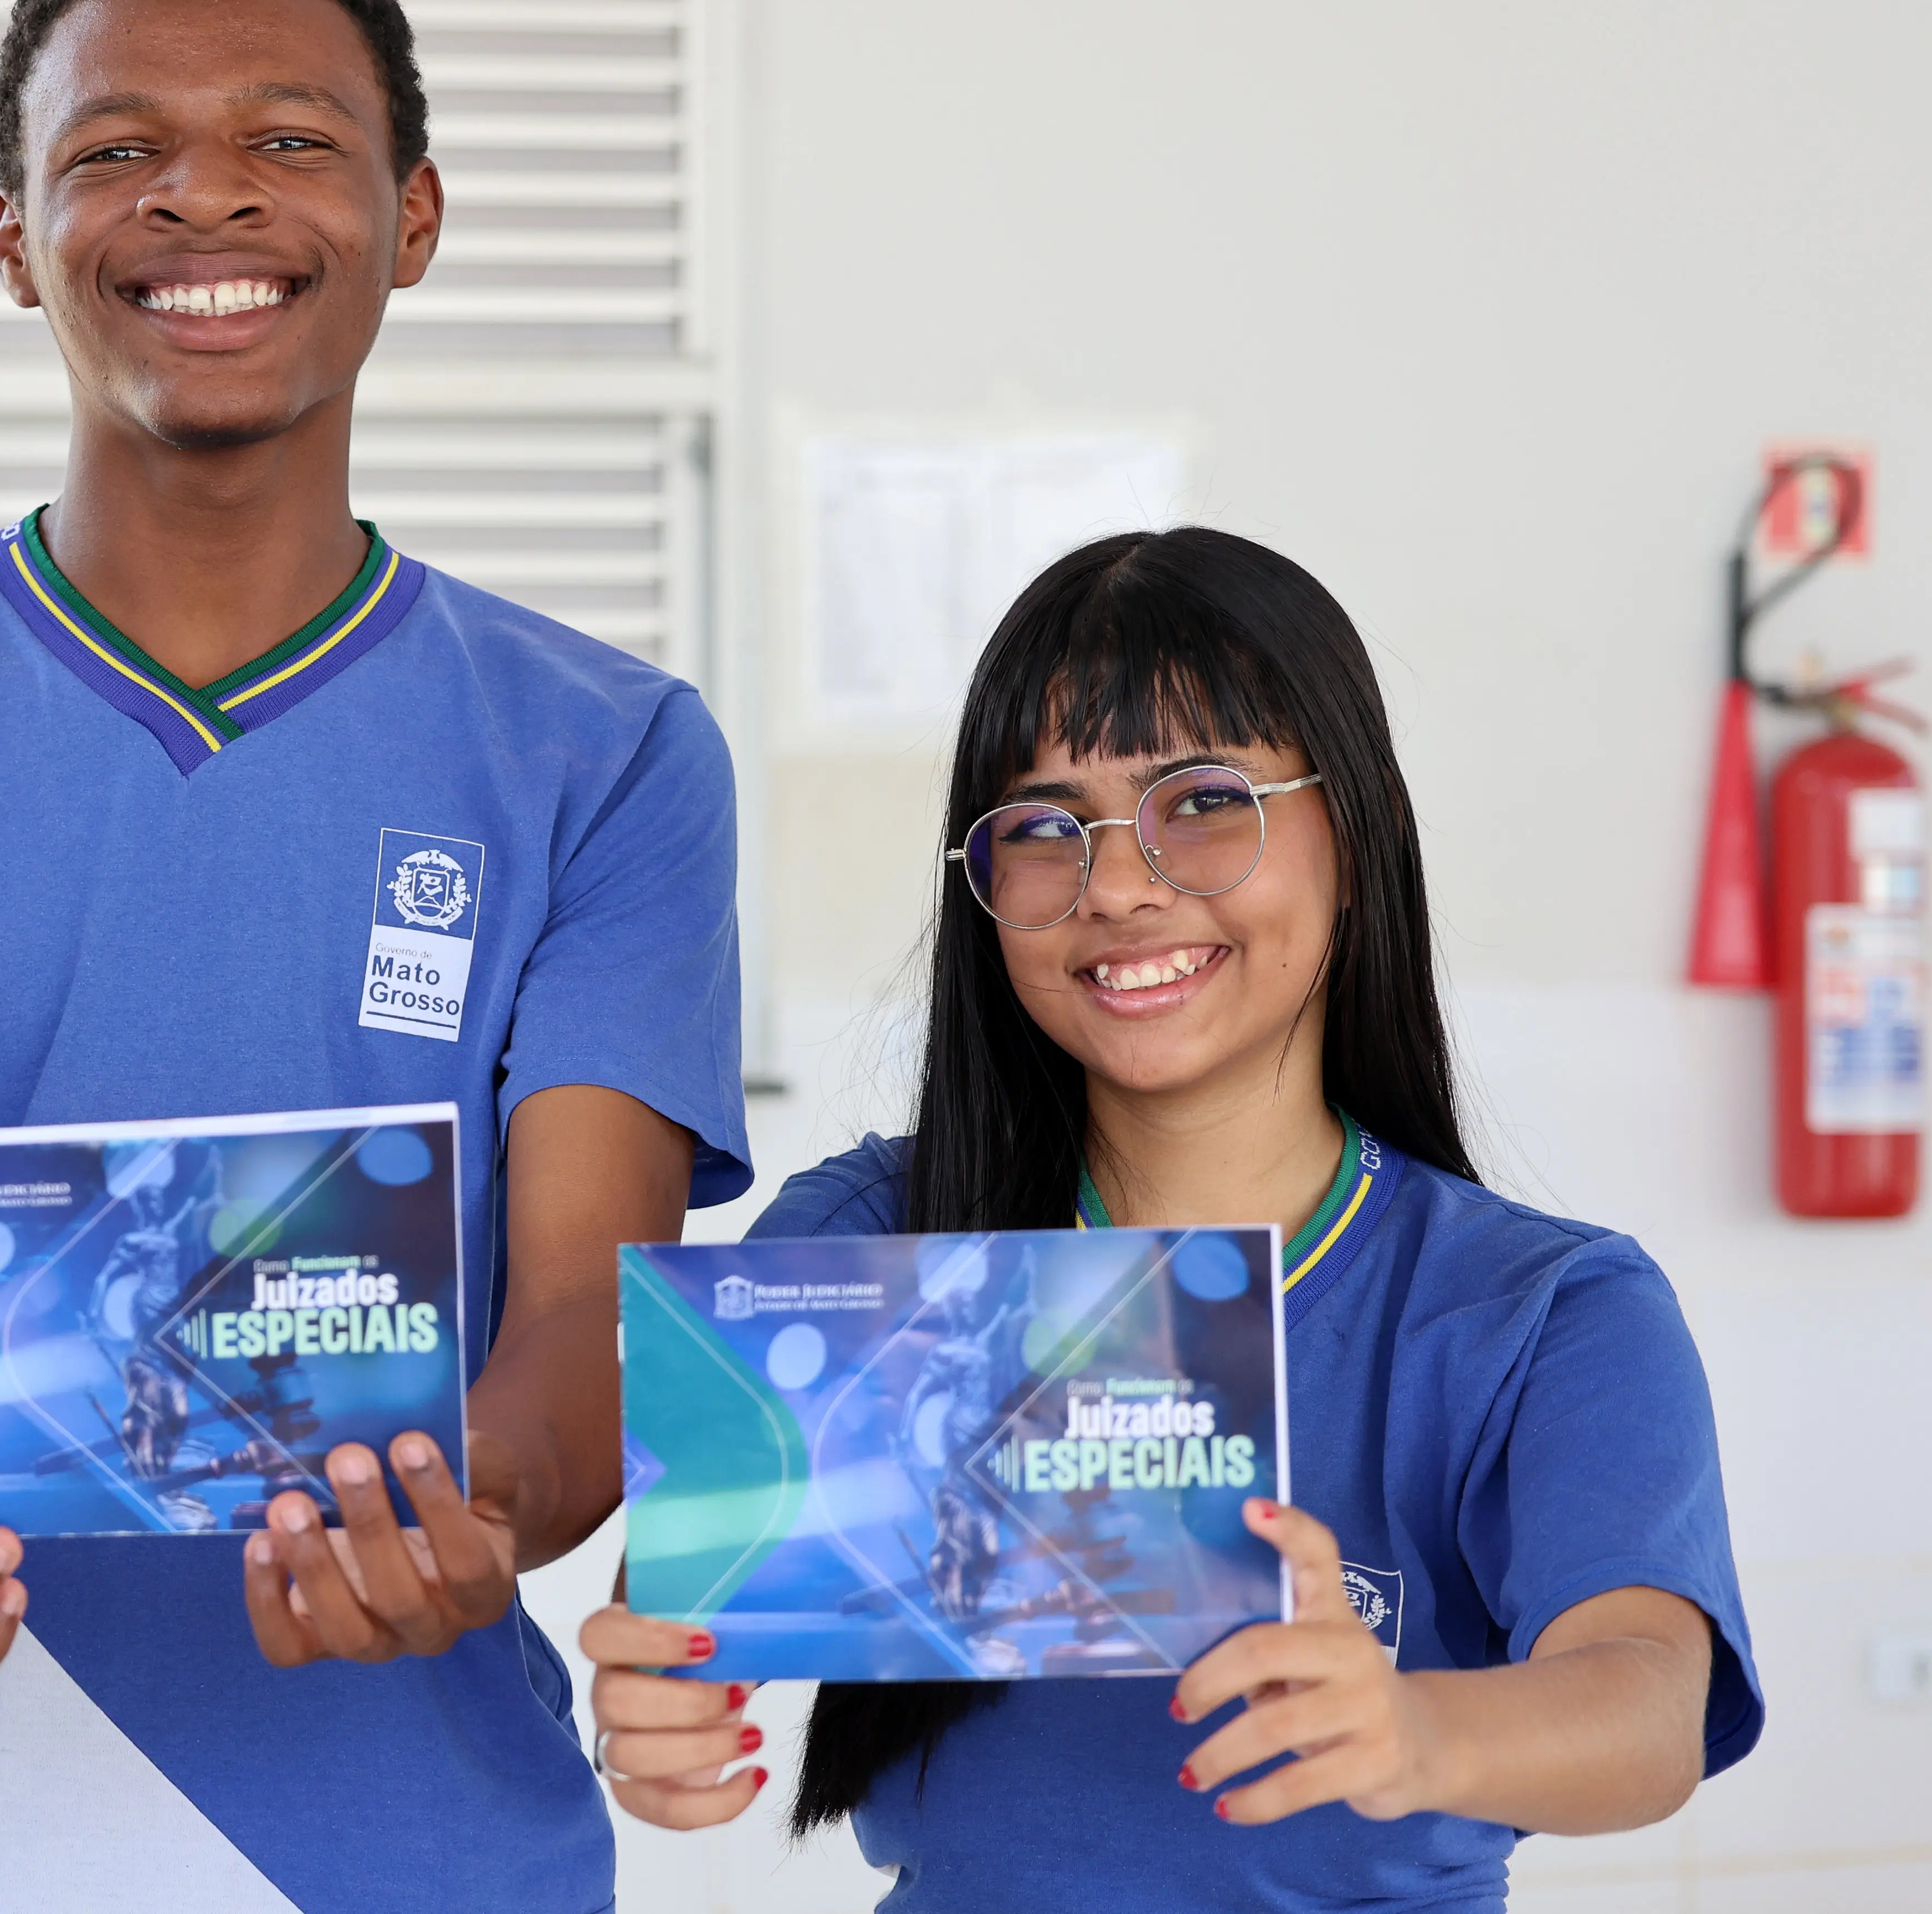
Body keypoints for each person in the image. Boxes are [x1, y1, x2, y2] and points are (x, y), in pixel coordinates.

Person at [0, 0, 747, 1914]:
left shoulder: (611, 751)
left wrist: (476, 1508)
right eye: (116, 152)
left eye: (291, 143)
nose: (204, 201)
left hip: (403, 1843)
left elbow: (587, 1309)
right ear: (16, 236)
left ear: (416, 219)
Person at [581, 527, 1761, 1910]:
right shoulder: (870, 1241)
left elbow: (1645, 1706)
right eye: (1042, 829)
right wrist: (654, 1696)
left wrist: (1413, 1730)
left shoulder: (1544, 1315)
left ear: (1358, 825)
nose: (1121, 887)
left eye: (1201, 802)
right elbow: (686, 1603)